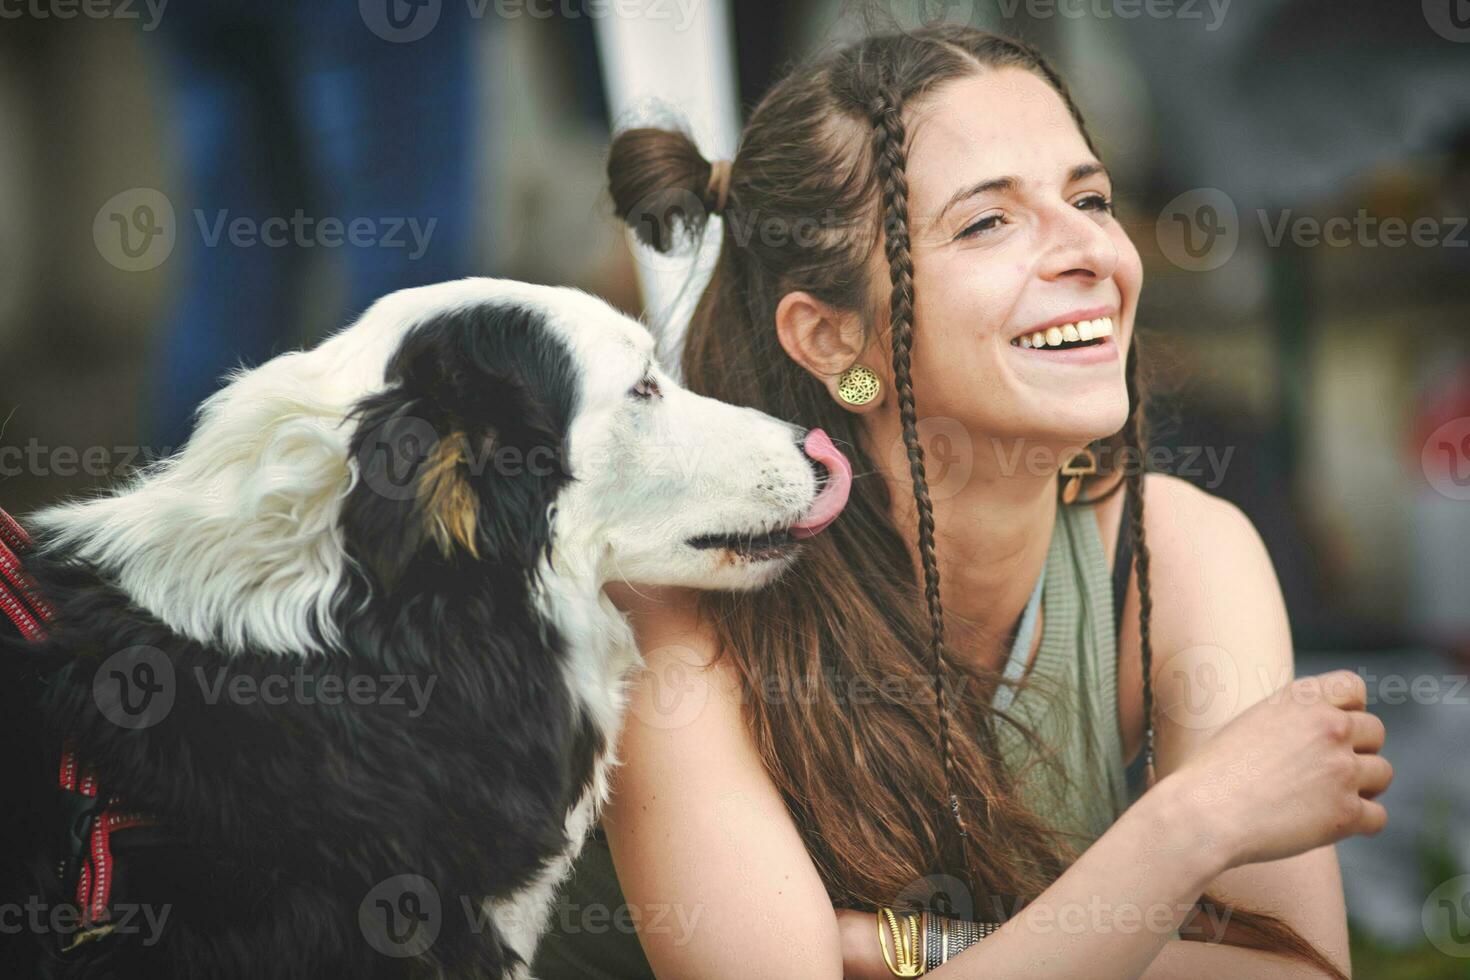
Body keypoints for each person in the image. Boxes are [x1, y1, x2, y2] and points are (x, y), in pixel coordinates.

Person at [534, 25, 1389, 979]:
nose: (1089, 252)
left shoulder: (1183, 551)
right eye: (988, 221)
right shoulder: (680, 612)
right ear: (830, 338)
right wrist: (1191, 825)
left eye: (1091, 197)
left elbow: (1295, 975)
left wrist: (895, 951)